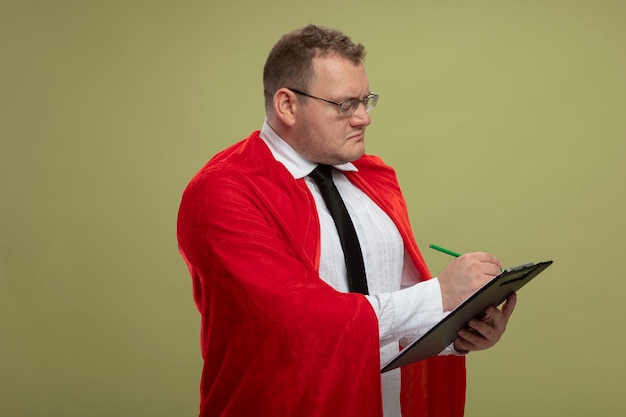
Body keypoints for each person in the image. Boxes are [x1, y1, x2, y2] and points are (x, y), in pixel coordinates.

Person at [177, 24, 516, 417]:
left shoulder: (374, 180)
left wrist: (457, 333)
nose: (363, 119)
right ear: (287, 105)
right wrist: (439, 295)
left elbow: (392, 317)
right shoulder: (224, 191)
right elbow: (297, 326)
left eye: (366, 101)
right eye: (344, 105)